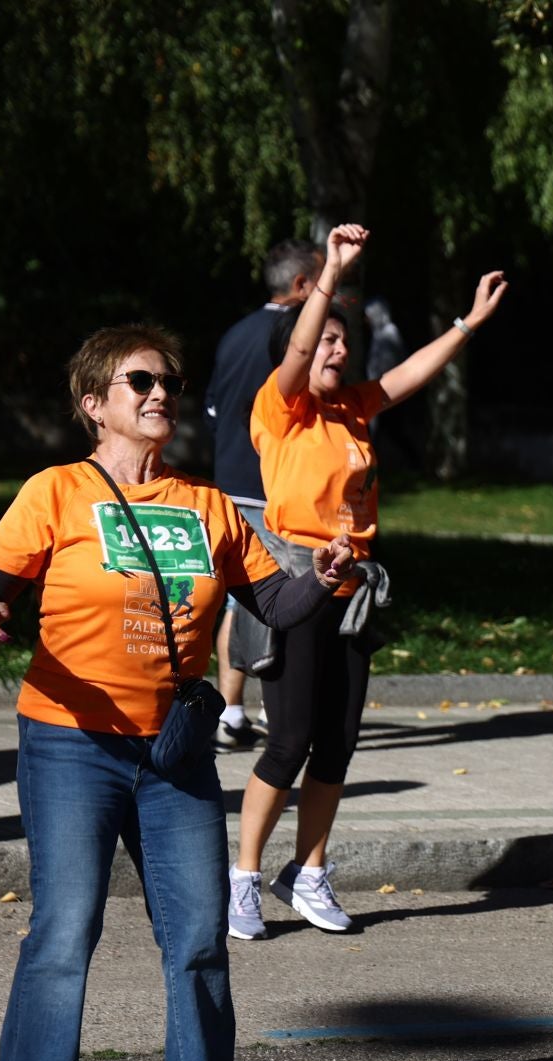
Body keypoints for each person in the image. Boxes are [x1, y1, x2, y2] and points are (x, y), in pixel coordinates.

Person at [0, 324, 353, 1061]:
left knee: (201, 934)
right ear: (93, 403)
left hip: (174, 752)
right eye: (139, 381)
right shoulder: (57, 490)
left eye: (169, 380)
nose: (160, 392)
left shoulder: (207, 504)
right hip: (70, 741)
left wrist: (324, 576)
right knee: (66, 931)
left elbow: (276, 607)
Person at [229, 225, 506, 939]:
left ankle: (308, 872)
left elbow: (409, 374)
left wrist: (469, 323)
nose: (337, 350)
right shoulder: (280, 407)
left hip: (352, 592)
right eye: (326, 340)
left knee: (337, 744)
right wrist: (331, 271)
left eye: (343, 342)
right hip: (296, 586)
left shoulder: (352, 407)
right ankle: (244, 878)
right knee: (288, 742)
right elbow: (298, 351)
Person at [202, 238, 324, 751]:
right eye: (323, 279)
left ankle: (232, 712)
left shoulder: (234, 332)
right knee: (270, 596)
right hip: (269, 485)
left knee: (239, 597)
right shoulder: (295, 336)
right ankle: (265, 709)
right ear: (301, 284)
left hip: (230, 479)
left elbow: (212, 409)